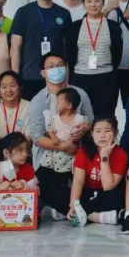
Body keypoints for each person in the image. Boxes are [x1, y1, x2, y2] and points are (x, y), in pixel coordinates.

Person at [27, 53, 93, 217]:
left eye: (59, 65)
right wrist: (63, 146)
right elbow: (37, 137)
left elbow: (91, 121)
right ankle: (80, 212)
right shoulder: (37, 101)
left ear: (66, 68)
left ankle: (78, 209)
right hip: (49, 155)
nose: (56, 69)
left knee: (89, 183)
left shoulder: (79, 94)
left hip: (79, 151)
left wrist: (84, 130)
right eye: (50, 67)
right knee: (47, 188)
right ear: (43, 73)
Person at [10, 0, 73, 100]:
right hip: (30, 75)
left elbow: (67, 49)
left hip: (56, 76)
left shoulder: (64, 13)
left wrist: (67, 78)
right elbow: (15, 46)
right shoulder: (23, 12)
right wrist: (15, 77)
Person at [66, 0, 123, 121]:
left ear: (103, 3)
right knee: (81, 118)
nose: (93, 4)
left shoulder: (113, 26)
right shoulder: (74, 27)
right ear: (83, 4)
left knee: (105, 118)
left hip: (106, 78)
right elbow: (69, 54)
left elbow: (117, 53)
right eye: (89, 1)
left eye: (97, 1)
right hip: (80, 78)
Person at [68, 117, 127, 226]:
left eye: (107, 131)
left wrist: (104, 157)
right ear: (92, 133)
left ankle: (84, 214)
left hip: (107, 194)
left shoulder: (121, 154)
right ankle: (97, 216)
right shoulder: (83, 151)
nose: (102, 135)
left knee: (117, 196)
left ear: (116, 132)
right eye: (98, 131)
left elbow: (108, 187)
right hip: (88, 192)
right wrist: (73, 204)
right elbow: (78, 181)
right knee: (68, 196)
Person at [0, 71, 32, 176]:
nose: (8, 90)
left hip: (21, 149)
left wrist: (15, 151)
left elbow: (28, 137)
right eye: (4, 87)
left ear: (20, 88)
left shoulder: (29, 106)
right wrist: (4, 150)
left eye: (12, 85)